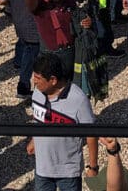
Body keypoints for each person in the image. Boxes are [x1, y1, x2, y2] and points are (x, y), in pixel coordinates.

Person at [28, 52, 98, 191]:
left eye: (38, 78)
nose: (34, 82)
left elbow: (91, 133)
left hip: (68, 171)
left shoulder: (78, 99)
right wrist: (34, 140)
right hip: (42, 168)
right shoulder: (37, 93)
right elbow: (39, 120)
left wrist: (93, 166)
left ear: (53, 80)